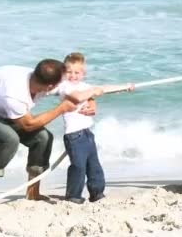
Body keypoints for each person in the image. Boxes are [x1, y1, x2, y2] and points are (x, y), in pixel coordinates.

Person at [0, 59, 95, 207]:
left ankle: (32, 193)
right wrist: (61, 109)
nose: (62, 85)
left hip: (0, 106)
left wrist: (91, 102)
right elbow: (28, 125)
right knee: (9, 140)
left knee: (43, 138)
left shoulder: (41, 79)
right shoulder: (14, 95)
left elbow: (78, 92)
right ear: (50, 86)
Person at [50, 52, 134, 204]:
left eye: (77, 72)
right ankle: (73, 196)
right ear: (63, 72)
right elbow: (78, 97)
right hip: (73, 135)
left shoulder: (84, 86)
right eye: (69, 72)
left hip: (88, 133)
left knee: (94, 165)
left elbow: (103, 89)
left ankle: (97, 193)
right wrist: (94, 91)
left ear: (83, 73)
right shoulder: (64, 87)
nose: (73, 75)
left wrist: (124, 87)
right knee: (78, 167)